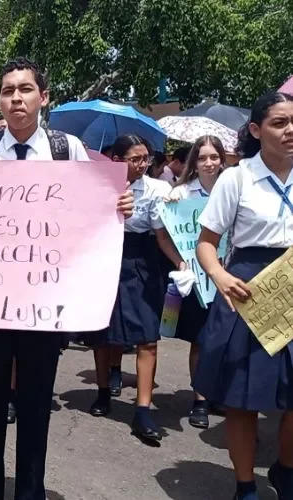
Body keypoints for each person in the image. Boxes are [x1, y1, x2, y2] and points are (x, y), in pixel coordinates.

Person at [0, 57, 133, 500]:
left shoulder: (67, 150)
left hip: (46, 303)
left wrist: (117, 208)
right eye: (7, 91)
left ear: (44, 97)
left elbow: (92, 212)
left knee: (36, 403)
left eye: (25, 89)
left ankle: (30, 491)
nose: (16, 98)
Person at [194, 91, 293, 500]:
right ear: (256, 130)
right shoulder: (236, 178)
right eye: (279, 123)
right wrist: (218, 274)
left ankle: (286, 470)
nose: (290, 131)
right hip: (249, 290)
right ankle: (245, 484)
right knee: (243, 398)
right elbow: (205, 243)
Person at [85, 135, 183, 444]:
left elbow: (162, 235)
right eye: (135, 159)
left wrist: (181, 262)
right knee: (102, 335)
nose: (142, 165)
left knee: (147, 336)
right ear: (116, 159)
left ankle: (143, 408)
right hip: (104, 259)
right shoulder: (97, 186)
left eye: (146, 159)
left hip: (142, 262)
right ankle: (103, 392)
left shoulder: (156, 189)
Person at [164, 135, 226, 429]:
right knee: (200, 339)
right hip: (198, 278)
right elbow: (165, 235)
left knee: (226, 340)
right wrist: (180, 262)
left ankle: (218, 391)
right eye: (202, 158)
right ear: (194, 163)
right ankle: (200, 399)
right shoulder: (183, 194)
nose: (209, 163)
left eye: (214, 157)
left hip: (231, 274)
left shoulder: (234, 189)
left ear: (222, 160)